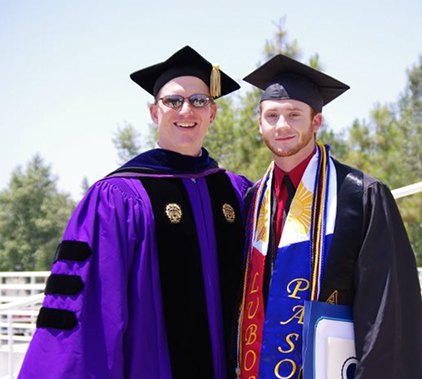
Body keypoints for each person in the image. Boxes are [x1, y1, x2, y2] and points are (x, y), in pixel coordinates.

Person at [19, 46, 251, 379]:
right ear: (154, 112)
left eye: (199, 100)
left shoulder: (236, 191)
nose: (187, 110)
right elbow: (90, 311)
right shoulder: (117, 198)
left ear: (212, 113)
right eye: (173, 101)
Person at [237, 55, 422, 379]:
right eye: (272, 115)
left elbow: (385, 314)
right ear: (259, 123)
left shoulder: (360, 196)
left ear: (316, 122)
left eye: (294, 114)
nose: (282, 125)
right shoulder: (253, 201)